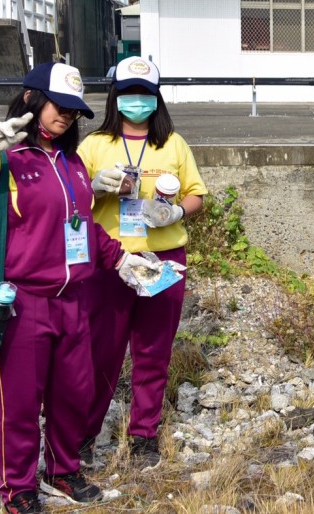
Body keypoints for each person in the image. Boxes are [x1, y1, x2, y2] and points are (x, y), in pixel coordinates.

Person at [0, 62, 158, 514]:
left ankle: (62, 469)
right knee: (16, 403)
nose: (68, 118)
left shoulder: (72, 164)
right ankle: (17, 487)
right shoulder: (7, 160)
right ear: (32, 99)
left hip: (72, 301)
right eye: (61, 107)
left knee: (73, 393)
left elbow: (83, 230)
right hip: (21, 304)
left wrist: (123, 260)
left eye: (75, 112)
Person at [77, 56, 207, 470]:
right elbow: (70, 203)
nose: (137, 101)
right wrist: (95, 190)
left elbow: (196, 195)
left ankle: (143, 435)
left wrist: (176, 214)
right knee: (102, 352)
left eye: (145, 94)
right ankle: (82, 436)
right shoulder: (95, 144)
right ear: (115, 96)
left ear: (156, 98)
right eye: (129, 93)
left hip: (163, 260)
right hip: (110, 261)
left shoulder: (173, 145)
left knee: (153, 352)